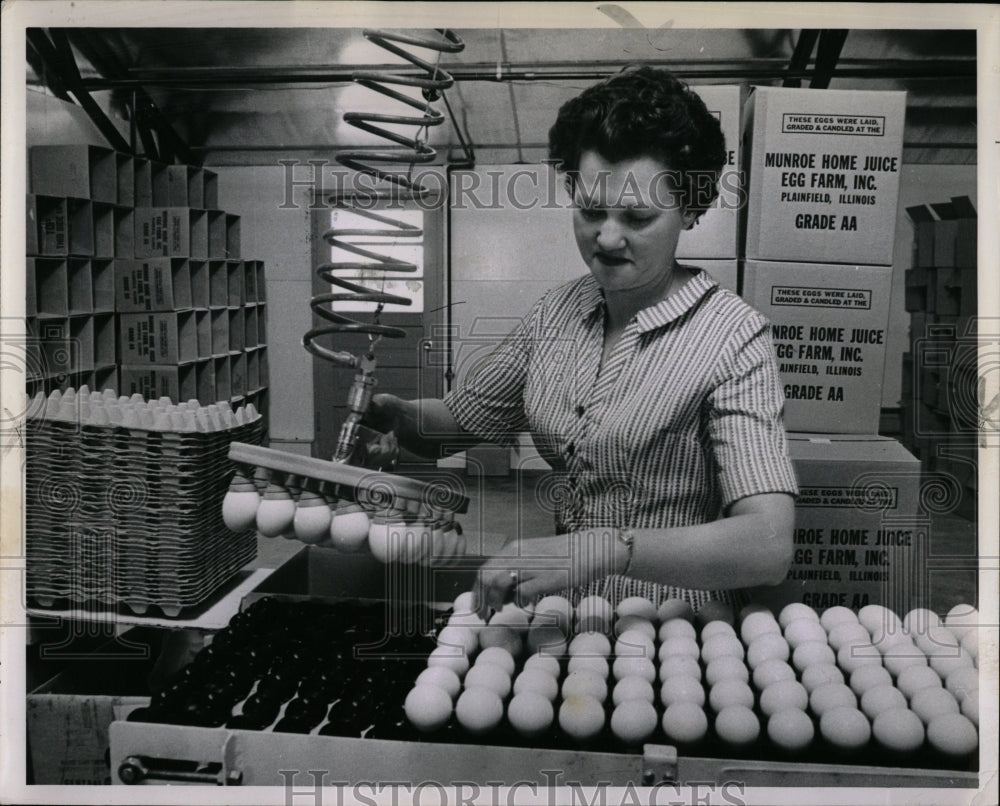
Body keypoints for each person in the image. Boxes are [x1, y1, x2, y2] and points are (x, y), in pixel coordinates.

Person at [365, 66, 798, 617]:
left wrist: (600, 549)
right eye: (591, 210)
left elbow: (767, 545)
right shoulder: (558, 313)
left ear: (690, 211)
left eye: (638, 217)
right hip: (566, 616)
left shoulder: (733, 338)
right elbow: (458, 423)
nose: (608, 238)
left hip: (679, 631)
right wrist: (400, 417)